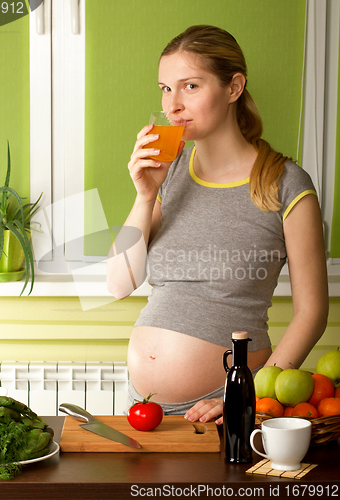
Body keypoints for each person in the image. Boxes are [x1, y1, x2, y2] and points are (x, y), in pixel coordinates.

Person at [106, 25, 328, 425]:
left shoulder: (286, 183)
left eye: (189, 86)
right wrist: (144, 196)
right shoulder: (169, 172)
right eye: (164, 88)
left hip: (225, 409)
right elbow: (118, 284)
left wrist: (247, 395)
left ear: (233, 87)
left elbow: (311, 312)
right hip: (145, 406)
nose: (172, 105)